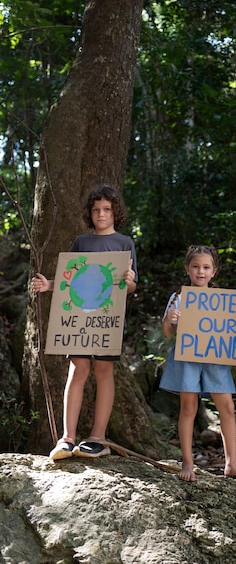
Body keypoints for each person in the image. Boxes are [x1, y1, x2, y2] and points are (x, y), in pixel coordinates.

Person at [32, 184, 138, 461]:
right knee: (77, 368)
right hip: (78, 318)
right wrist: (48, 285)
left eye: (106, 209)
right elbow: (71, 281)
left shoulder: (125, 243)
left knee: (104, 370)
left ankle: (98, 438)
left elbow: (130, 286)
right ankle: (67, 438)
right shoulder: (82, 242)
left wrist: (130, 283)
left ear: (116, 212)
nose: (101, 214)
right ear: (89, 214)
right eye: (95, 210)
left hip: (108, 318)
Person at [160, 244, 236, 485]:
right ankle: (187, 462)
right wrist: (169, 319)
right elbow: (168, 333)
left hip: (215, 358)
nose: (200, 272)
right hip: (187, 359)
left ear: (214, 271)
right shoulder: (179, 298)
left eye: (206, 267)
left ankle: (231, 463)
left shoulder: (222, 301)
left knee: (227, 407)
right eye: (195, 267)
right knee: (188, 408)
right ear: (187, 269)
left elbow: (235, 330)